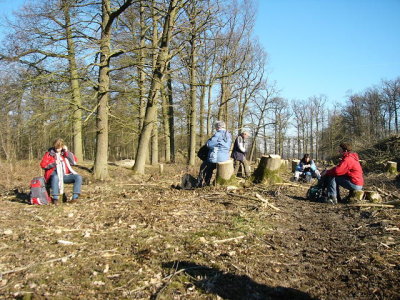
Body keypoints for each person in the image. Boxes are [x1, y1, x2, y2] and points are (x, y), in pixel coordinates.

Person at [40, 138, 82, 204]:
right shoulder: (49, 154)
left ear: (62, 146)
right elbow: (43, 165)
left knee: (78, 177)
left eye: (59, 148)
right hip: (52, 176)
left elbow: (74, 161)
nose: (57, 149)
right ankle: (55, 198)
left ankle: (75, 198)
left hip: (64, 175)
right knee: (55, 177)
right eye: (56, 148)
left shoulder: (64, 154)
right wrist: (54, 163)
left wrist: (67, 151)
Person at [197, 121, 232, 187]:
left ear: (218, 127)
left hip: (215, 157)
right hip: (225, 157)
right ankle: (214, 183)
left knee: (205, 167)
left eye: (216, 127)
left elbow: (209, 145)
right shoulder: (228, 135)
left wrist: (208, 141)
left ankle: (205, 184)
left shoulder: (218, 134)